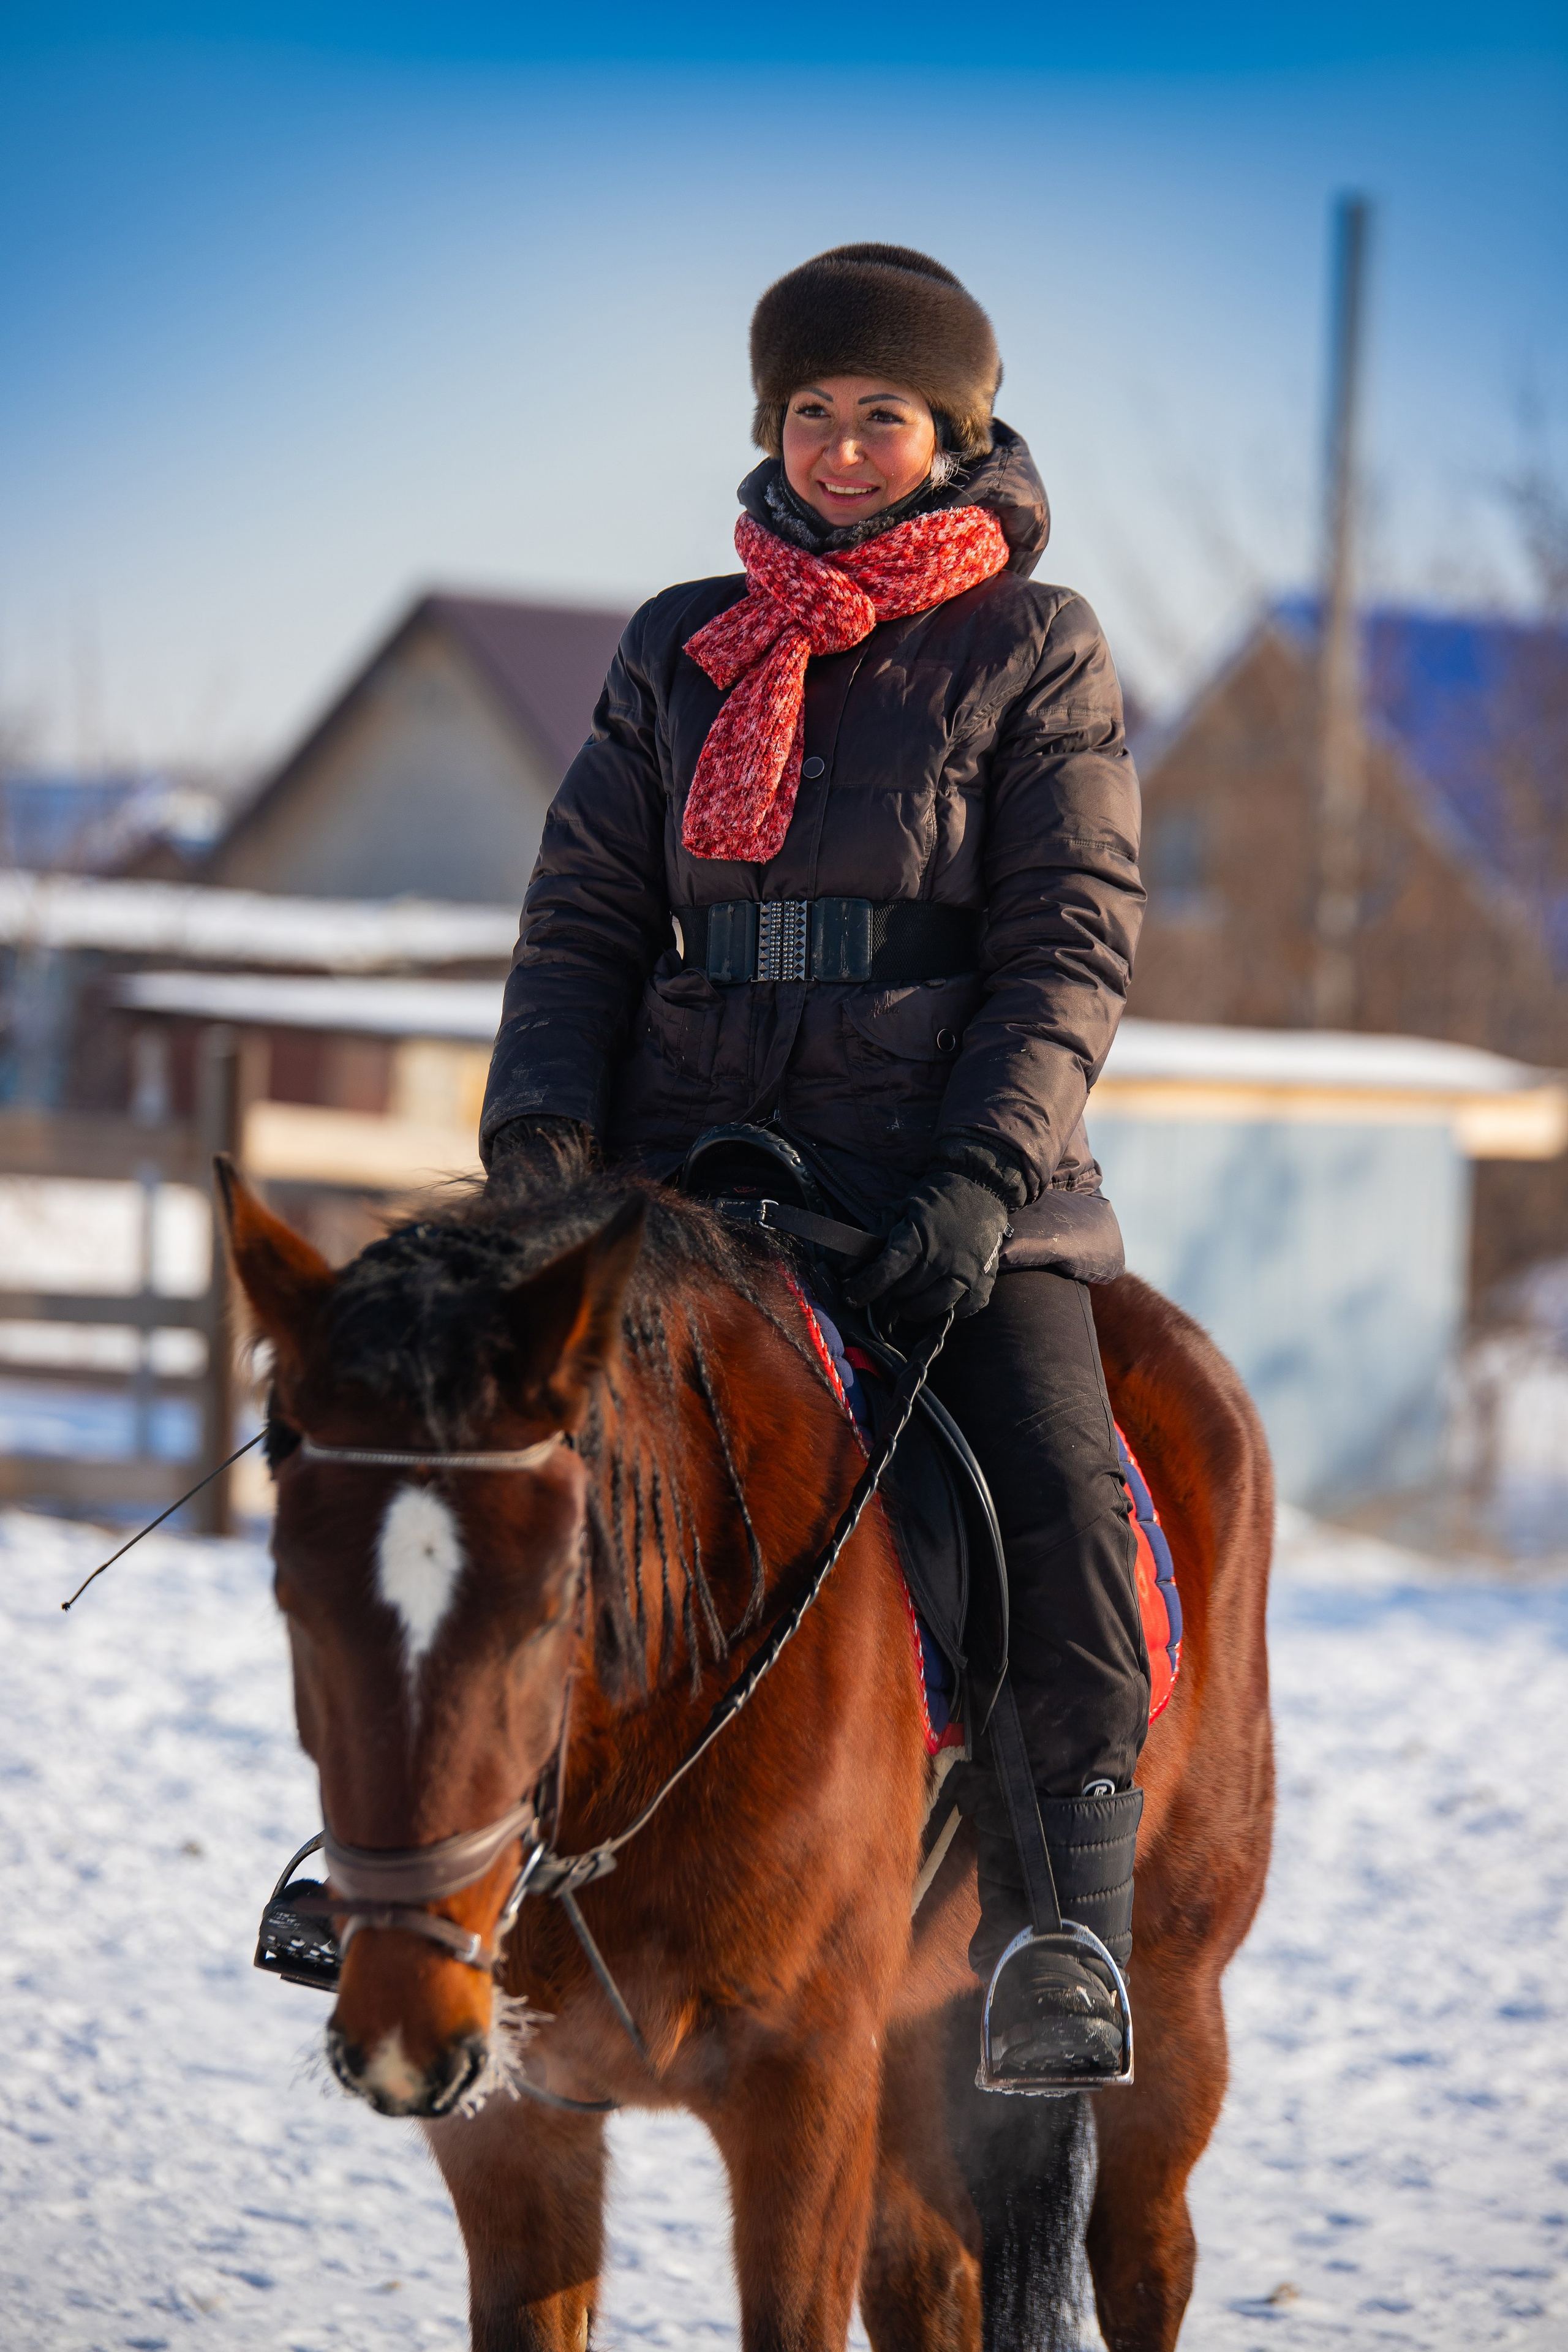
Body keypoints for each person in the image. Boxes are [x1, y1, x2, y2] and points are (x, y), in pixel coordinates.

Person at [482, 244, 1148, 2082]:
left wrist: (983, 1172)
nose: (843, 450)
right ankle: (408, 1873)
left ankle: (1058, 1934)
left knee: (1057, 1504)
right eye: (811, 414)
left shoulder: (1035, 641)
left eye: (884, 415)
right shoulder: (679, 640)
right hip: (681, 1169)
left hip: (940, 1182)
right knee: (466, 1456)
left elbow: (1070, 939)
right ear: (770, 427)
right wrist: (540, 1142)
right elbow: (583, 920)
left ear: (958, 434)